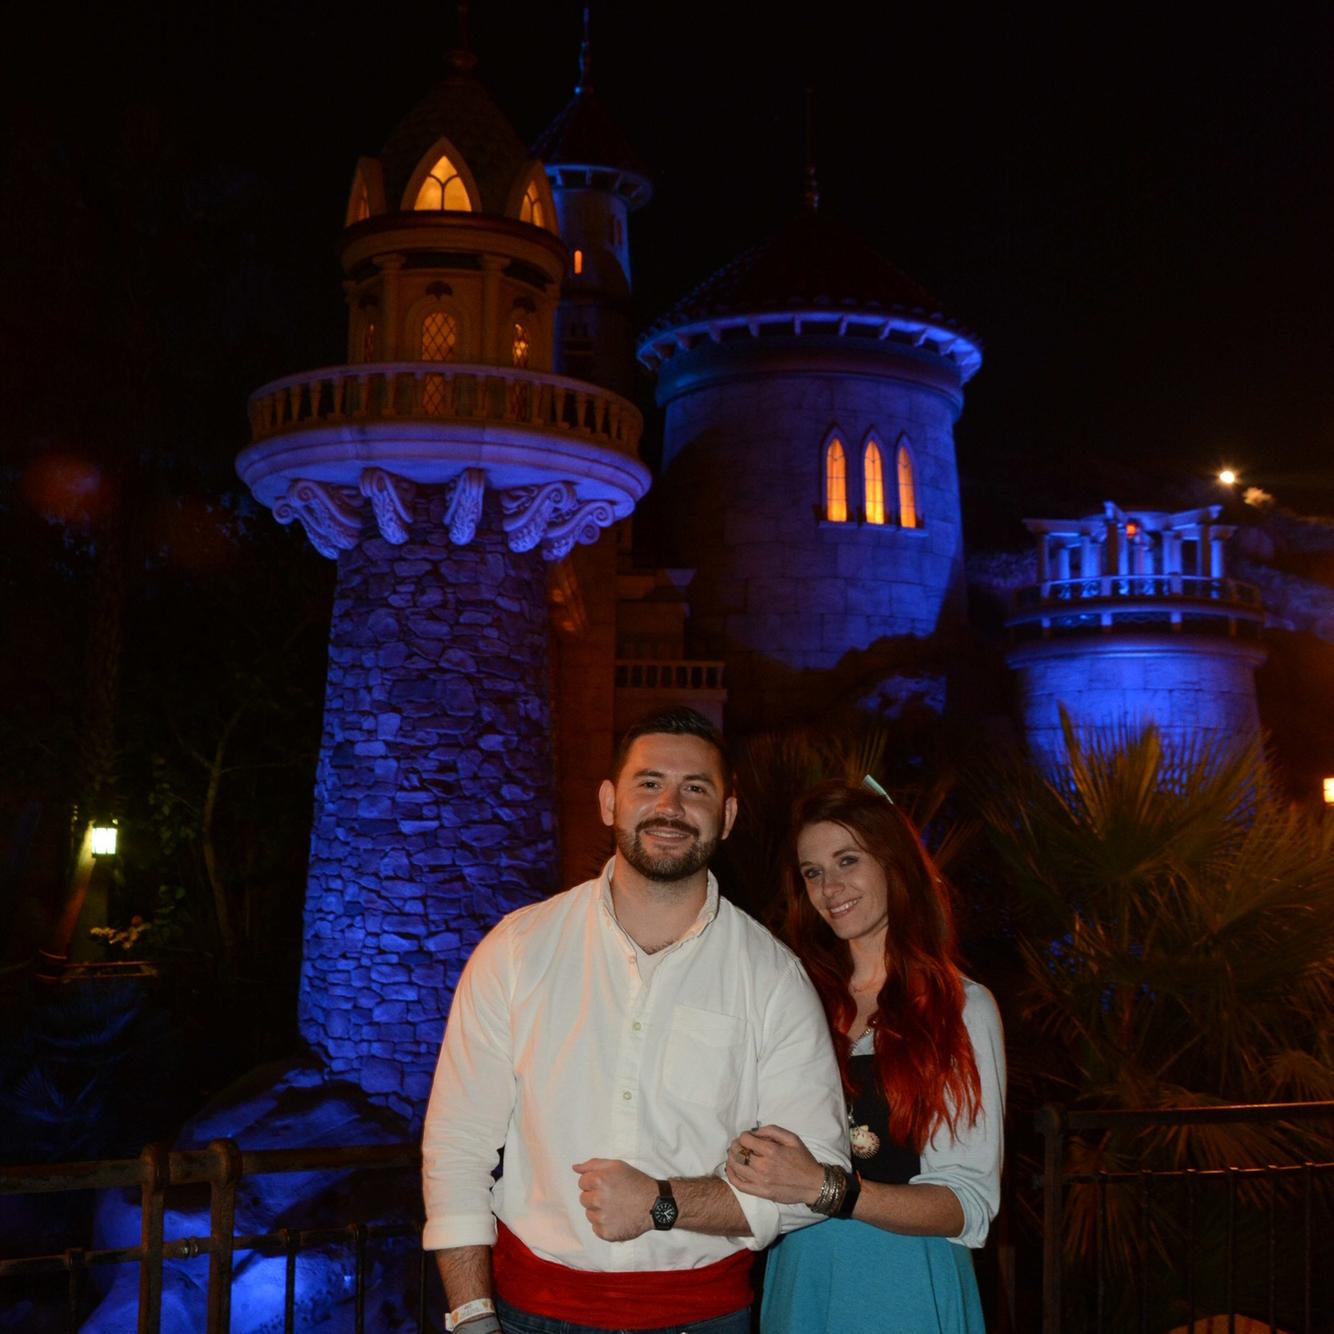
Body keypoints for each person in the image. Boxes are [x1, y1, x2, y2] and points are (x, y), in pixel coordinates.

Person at [421, 707, 849, 1334]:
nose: (670, 805)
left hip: (705, 1320)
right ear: (608, 801)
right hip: (525, 1316)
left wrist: (664, 1204)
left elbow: (814, 1175)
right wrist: (470, 1313)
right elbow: (457, 1144)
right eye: (649, 783)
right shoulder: (517, 949)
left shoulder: (773, 978)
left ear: (726, 816)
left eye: (695, 788)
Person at [725, 780, 1005, 1334]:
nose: (830, 888)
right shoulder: (796, 1000)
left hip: (905, 1282)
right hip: (799, 1277)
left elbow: (968, 1205)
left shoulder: (959, 1007)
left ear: (893, 864)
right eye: (812, 872)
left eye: (847, 860)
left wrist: (825, 1189)